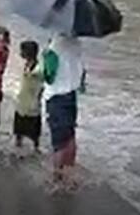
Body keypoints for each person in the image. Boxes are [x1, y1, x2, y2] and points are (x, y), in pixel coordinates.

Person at [43, 33, 86, 184]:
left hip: (56, 96)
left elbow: (49, 76)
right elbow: (82, 73)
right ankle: (70, 173)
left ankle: (57, 178)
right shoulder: (77, 43)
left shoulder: (55, 46)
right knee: (70, 136)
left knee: (59, 142)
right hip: (71, 94)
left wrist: (46, 53)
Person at [14, 40, 44, 151]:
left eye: (22, 51)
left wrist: (38, 98)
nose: (20, 53)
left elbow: (41, 86)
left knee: (33, 126)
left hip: (32, 100)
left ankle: (35, 147)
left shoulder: (38, 69)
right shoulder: (28, 64)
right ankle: (20, 143)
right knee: (20, 125)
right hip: (23, 99)